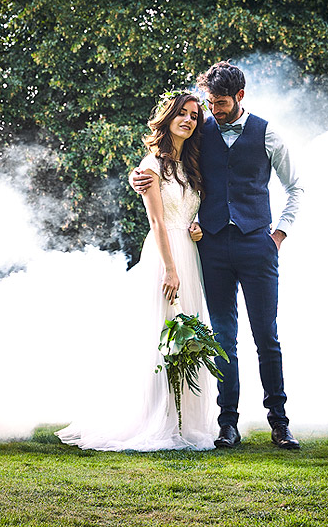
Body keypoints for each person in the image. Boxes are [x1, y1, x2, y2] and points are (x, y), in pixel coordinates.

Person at [131, 61, 303, 450]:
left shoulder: (267, 133)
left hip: (257, 246)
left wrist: (278, 234)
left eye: (220, 103)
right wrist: (137, 178)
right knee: (223, 338)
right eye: (209, 103)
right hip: (210, 250)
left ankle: (280, 422)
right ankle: (228, 424)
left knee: (266, 336)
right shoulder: (200, 130)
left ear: (239, 97)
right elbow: (162, 159)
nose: (213, 110)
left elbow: (297, 187)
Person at [56, 92, 217, 451]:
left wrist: (197, 227)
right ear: (169, 117)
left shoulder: (191, 165)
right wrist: (170, 270)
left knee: (185, 336)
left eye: (194, 116)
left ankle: (181, 421)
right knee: (161, 335)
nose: (189, 120)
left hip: (189, 254)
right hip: (165, 256)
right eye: (183, 114)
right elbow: (157, 221)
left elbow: (189, 213)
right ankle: (153, 420)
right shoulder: (151, 166)